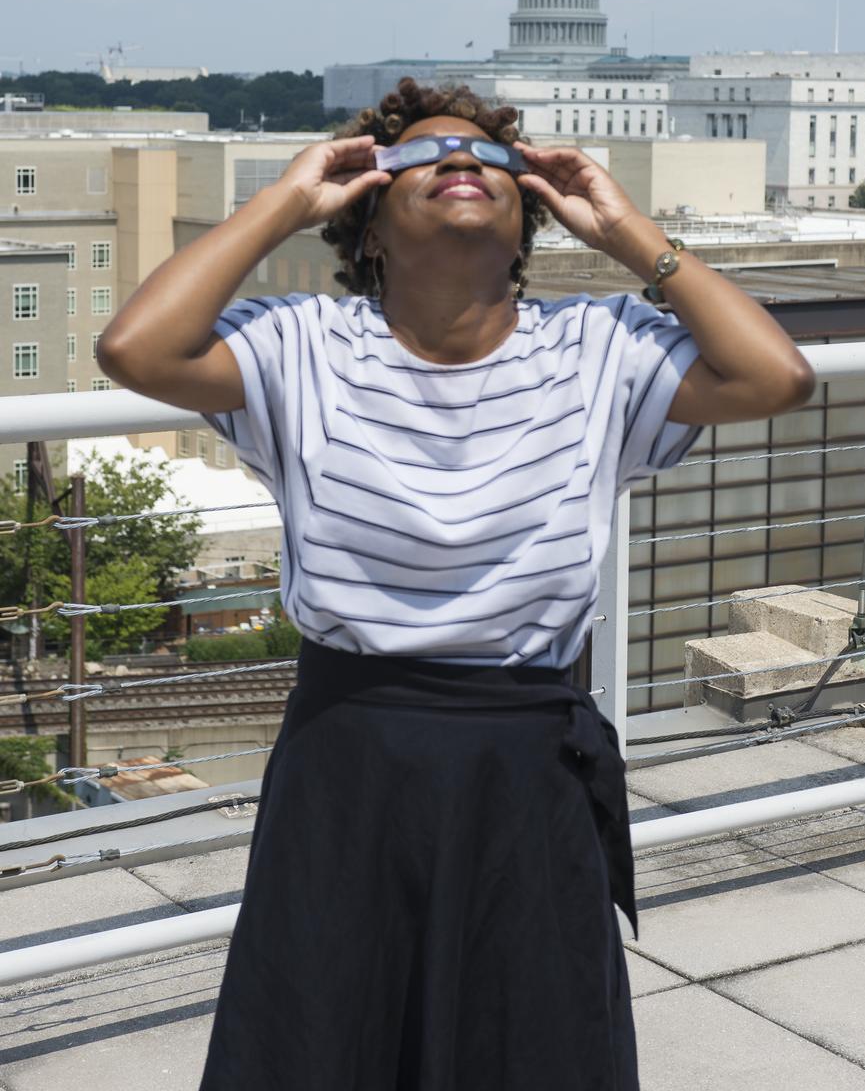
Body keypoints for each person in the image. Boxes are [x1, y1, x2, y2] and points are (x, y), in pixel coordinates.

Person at [97, 78, 815, 1090]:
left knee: (527, 1044)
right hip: (348, 755)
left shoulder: (598, 346)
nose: (461, 164)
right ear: (370, 222)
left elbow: (775, 376)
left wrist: (625, 231)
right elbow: (134, 347)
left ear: (525, 214)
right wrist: (283, 201)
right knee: (324, 1041)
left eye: (491, 159)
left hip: (526, 757)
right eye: (418, 158)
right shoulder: (302, 345)